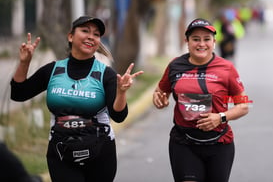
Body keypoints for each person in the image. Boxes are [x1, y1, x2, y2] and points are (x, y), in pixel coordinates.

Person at [10, 16, 143, 182]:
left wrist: (121, 92)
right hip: (61, 153)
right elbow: (18, 93)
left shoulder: (105, 74)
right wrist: (24, 62)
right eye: (85, 31)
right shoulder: (54, 70)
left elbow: (119, 116)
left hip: (100, 153)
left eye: (96, 34)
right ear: (70, 36)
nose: (90, 36)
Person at [153, 18, 249, 182]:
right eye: (195, 39)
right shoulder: (175, 66)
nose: (201, 44)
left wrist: (220, 117)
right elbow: (160, 91)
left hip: (219, 143)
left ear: (214, 41)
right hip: (184, 143)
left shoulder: (227, 68)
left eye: (206, 39)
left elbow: (244, 106)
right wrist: (159, 100)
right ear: (187, 41)